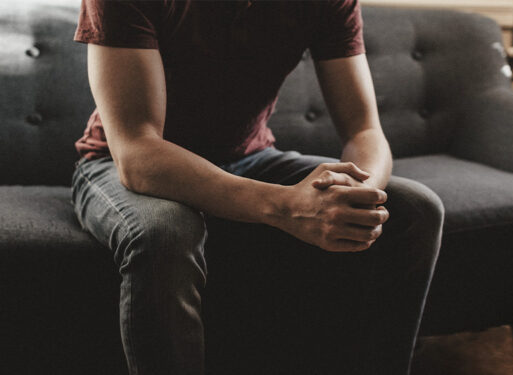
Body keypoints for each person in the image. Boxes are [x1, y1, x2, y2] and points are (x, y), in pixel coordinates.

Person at [70, 0, 444, 374]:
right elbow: (137, 152)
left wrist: (354, 197)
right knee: (166, 232)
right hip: (117, 163)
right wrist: (286, 206)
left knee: (414, 209)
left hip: (250, 158)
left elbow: (364, 130)